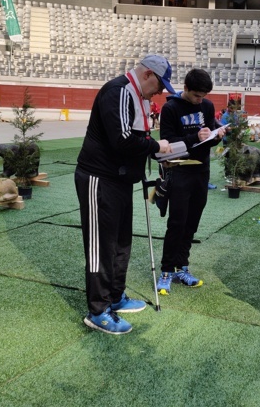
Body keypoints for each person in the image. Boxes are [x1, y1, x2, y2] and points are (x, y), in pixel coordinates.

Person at [75, 54, 173, 335]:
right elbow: (122, 139)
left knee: (121, 243)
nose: (160, 92)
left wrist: (156, 152)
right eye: (160, 85)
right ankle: (98, 310)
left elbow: (137, 138)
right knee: (101, 247)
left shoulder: (139, 96)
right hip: (99, 179)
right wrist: (156, 146)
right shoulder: (118, 91)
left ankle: (115, 296)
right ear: (147, 75)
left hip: (120, 180)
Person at [155, 68, 225, 295]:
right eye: (196, 95)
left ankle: (181, 267)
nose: (200, 100)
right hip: (179, 171)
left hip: (201, 172)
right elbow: (167, 143)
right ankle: (166, 271)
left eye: (203, 96)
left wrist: (217, 136)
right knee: (177, 223)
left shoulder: (207, 106)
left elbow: (208, 139)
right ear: (185, 88)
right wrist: (194, 136)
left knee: (192, 223)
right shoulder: (170, 108)